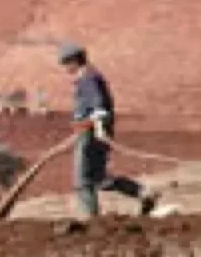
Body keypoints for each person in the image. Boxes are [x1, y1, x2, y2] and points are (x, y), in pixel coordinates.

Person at [57, 42, 160, 218]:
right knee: (99, 178)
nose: (65, 68)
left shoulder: (88, 78)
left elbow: (100, 106)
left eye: (65, 63)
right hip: (90, 132)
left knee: (82, 181)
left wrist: (96, 127)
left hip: (90, 134)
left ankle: (90, 219)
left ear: (74, 61)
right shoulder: (91, 76)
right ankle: (142, 193)